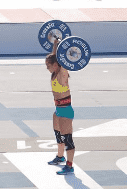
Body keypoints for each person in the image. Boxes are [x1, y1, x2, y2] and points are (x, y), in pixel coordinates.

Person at [46, 38, 75, 175]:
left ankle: (69, 166)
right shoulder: (54, 74)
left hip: (66, 110)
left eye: (48, 65)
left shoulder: (62, 75)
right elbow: (56, 57)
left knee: (68, 139)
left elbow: (62, 61)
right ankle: (60, 157)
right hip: (58, 110)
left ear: (56, 65)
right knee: (58, 134)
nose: (47, 68)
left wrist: (64, 48)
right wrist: (56, 45)